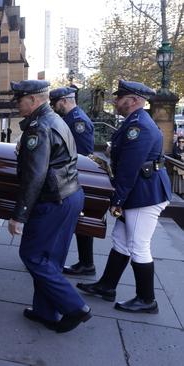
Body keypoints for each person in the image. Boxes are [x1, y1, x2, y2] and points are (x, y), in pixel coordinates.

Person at [77, 80, 171, 314]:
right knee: (120, 240)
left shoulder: (138, 126)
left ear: (135, 100)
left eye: (121, 97)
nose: (116, 101)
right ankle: (107, 286)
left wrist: (116, 200)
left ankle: (147, 299)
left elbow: (129, 168)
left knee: (139, 246)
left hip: (144, 194)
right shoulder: (134, 123)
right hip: (138, 191)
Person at [8, 80, 91, 333]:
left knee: (32, 256)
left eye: (20, 100)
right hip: (69, 195)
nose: (17, 104)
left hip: (52, 200)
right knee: (51, 259)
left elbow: (35, 176)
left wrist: (19, 216)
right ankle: (46, 312)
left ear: (33, 100)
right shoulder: (55, 120)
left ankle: (75, 306)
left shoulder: (38, 128)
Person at [49, 86, 97, 276]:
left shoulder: (77, 122)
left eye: (55, 103)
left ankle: (86, 263)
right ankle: (86, 263)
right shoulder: (69, 118)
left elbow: (82, 154)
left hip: (75, 177)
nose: (53, 107)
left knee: (81, 221)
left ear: (64, 101)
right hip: (69, 177)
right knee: (79, 223)